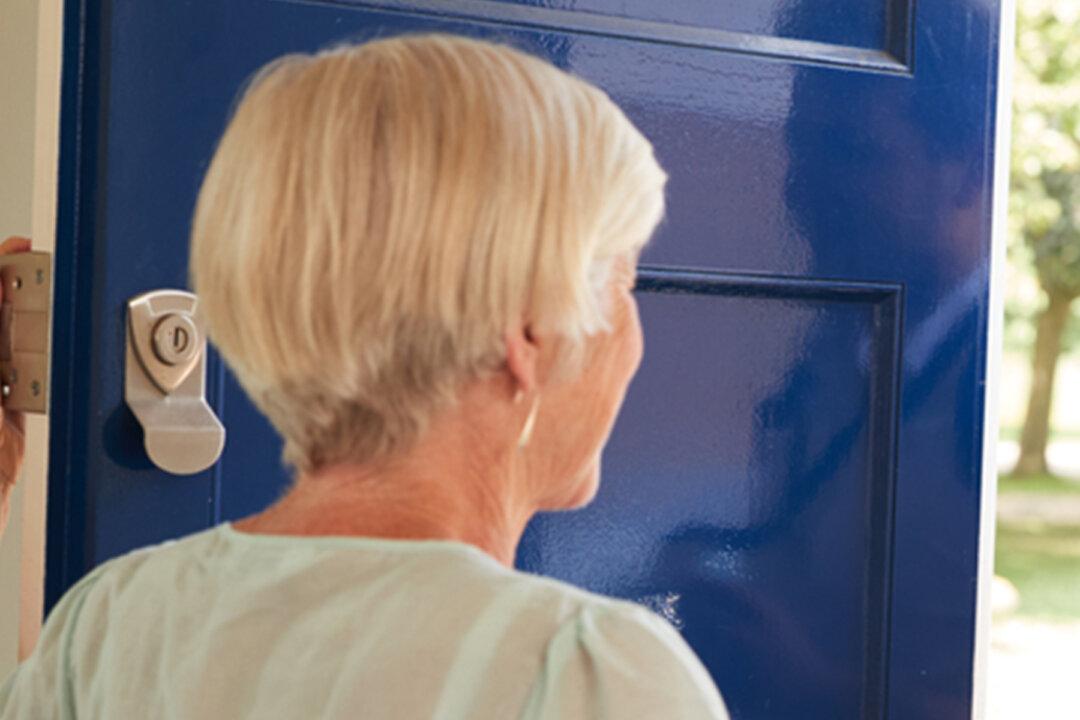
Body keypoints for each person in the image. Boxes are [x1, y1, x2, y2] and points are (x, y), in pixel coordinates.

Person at [0, 34, 729, 718]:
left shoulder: (105, 628)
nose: (636, 340)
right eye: (624, 284)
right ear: (533, 328)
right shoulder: (590, 675)